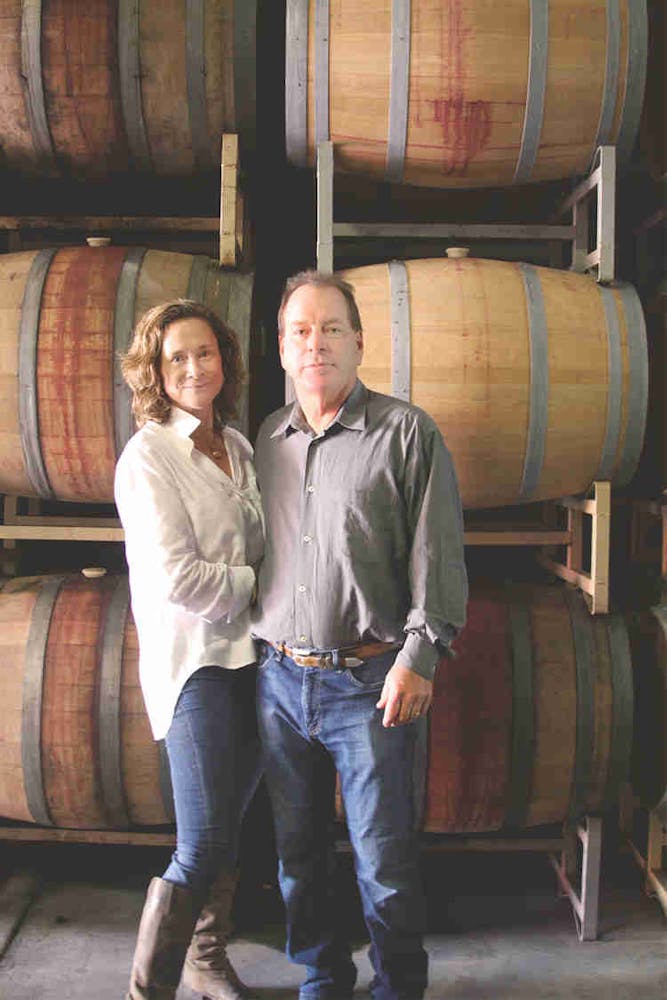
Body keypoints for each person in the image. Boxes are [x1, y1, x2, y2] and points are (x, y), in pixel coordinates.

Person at [252, 271, 468, 1000]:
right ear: (283, 349)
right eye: (300, 332)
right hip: (279, 680)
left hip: (371, 684)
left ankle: (398, 988)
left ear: (358, 341)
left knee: (382, 860)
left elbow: (435, 558)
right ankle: (320, 977)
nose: (315, 344)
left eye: (330, 328)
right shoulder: (266, 440)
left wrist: (420, 656)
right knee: (297, 855)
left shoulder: (407, 432)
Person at [115, 299, 263, 1000]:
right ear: (154, 369)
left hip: (254, 659)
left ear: (224, 361)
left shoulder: (235, 447)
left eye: (204, 353)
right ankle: (148, 991)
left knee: (229, 831)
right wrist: (266, 586)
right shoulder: (148, 457)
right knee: (200, 841)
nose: (193, 366)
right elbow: (176, 578)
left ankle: (205, 963)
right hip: (196, 663)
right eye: (176, 356)